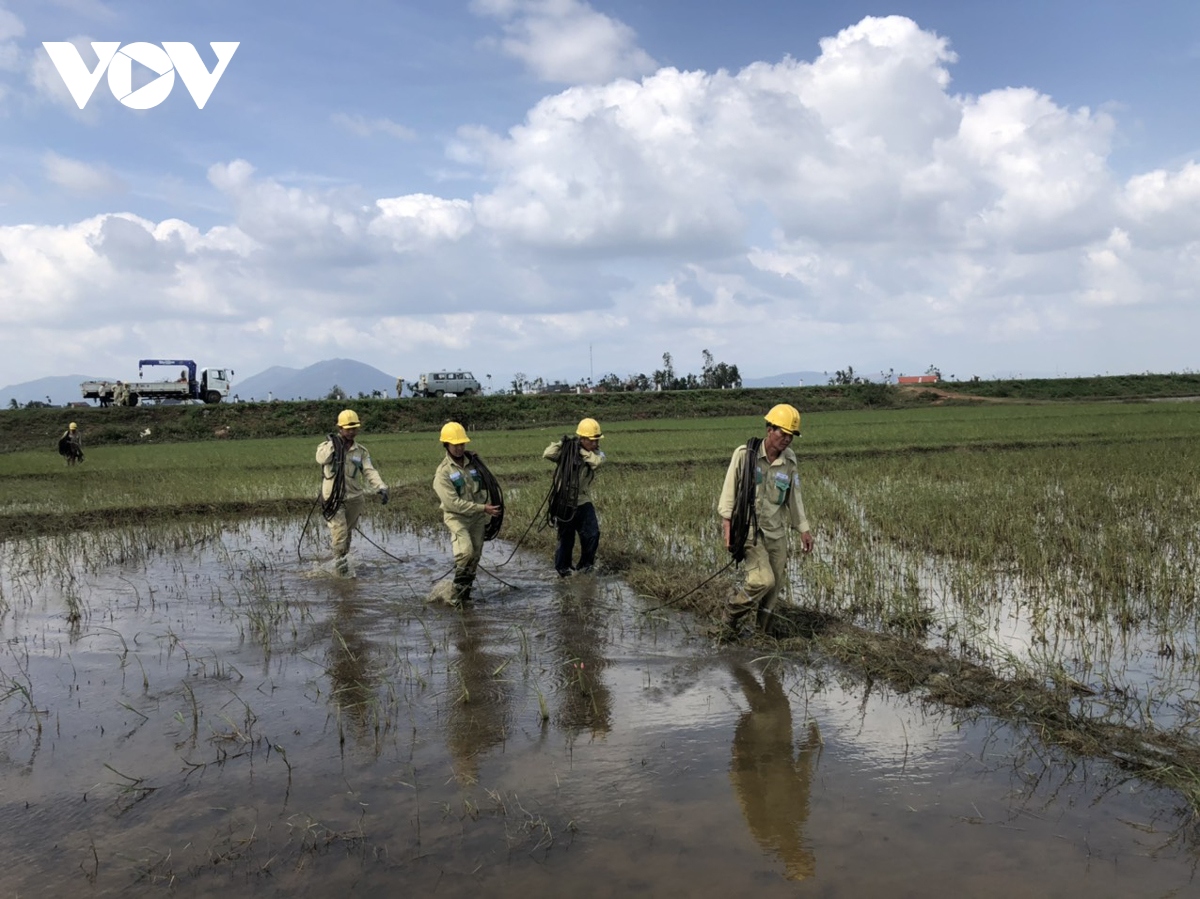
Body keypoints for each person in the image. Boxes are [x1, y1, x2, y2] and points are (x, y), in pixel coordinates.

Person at [717, 404, 814, 636]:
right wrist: (727, 530)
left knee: (773, 590)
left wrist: (804, 529)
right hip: (749, 532)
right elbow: (729, 493)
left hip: (776, 533)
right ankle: (732, 611)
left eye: (792, 435)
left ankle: (763, 635)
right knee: (763, 581)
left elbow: (794, 497)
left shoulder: (789, 461)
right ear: (769, 429)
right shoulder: (745, 455)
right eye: (783, 433)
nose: (787, 439)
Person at [433, 422, 501, 605]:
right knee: (465, 553)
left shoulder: (473, 465)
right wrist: (482, 508)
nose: (460, 448)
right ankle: (455, 595)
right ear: (446, 445)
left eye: (462, 444)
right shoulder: (443, 473)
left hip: (477, 518)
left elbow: (487, 484)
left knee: (475, 555)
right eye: (455, 445)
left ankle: (465, 595)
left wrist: (484, 508)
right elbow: (453, 503)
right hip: (458, 518)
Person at [316, 409, 389, 574]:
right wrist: (333, 445)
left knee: (347, 534)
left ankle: (342, 561)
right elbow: (321, 459)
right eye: (347, 429)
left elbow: (369, 471)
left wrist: (381, 487)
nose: (351, 432)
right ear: (340, 428)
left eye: (354, 428)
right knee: (340, 533)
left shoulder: (361, 451)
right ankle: (341, 570)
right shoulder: (326, 447)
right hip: (333, 499)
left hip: (354, 498)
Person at [543, 418, 605, 577]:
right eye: (592, 440)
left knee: (592, 534)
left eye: (597, 439)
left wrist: (581, 452)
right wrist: (562, 444)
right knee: (566, 539)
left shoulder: (596, 453)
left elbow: (597, 462)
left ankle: (585, 567)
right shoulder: (567, 451)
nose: (596, 443)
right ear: (582, 439)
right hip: (564, 502)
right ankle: (563, 571)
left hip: (583, 501)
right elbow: (547, 454)